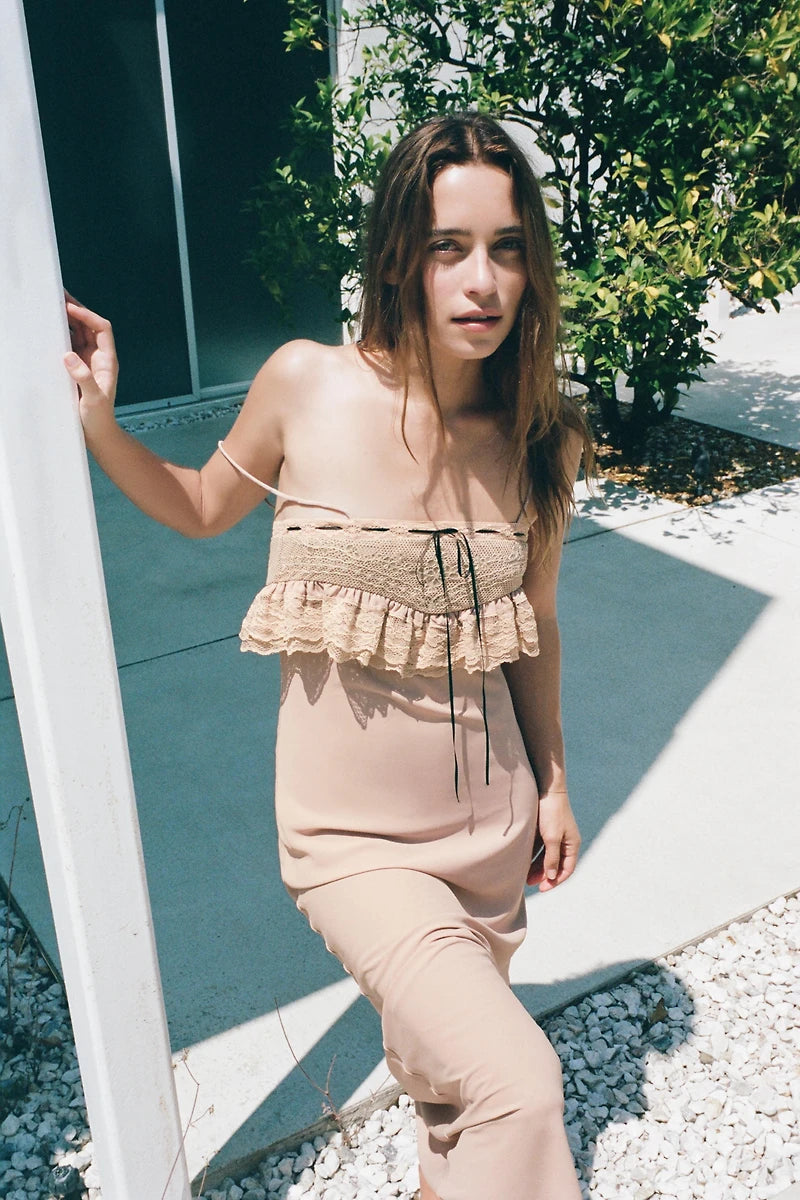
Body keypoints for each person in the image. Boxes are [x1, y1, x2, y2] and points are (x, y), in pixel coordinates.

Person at [64, 112, 593, 1200]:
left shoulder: (541, 436)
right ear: (399, 256)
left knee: (451, 1095)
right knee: (518, 1087)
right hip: (350, 843)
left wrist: (552, 781)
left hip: (491, 832)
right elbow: (202, 504)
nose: (482, 281)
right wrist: (104, 423)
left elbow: (533, 625)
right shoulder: (307, 382)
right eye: (449, 247)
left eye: (505, 248)